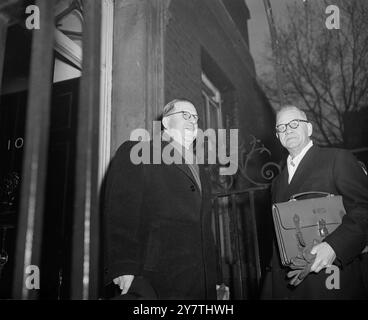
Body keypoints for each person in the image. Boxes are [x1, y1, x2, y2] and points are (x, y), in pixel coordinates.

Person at [102, 99, 218, 299]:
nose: (192, 121)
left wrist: (215, 277)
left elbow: (206, 229)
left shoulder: (201, 171)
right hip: (156, 278)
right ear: (166, 122)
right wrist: (123, 266)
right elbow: (121, 212)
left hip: (199, 281)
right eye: (185, 115)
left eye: (195, 118)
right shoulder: (138, 151)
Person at [262, 105, 368, 299]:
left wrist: (334, 246)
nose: (288, 130)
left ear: (309, 129)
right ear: (278, 137)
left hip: (333, 280)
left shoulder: (337, 159)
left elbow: (363, 210)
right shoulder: (276, 183)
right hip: (290, 285)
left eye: (294, 123)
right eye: (282, 127)